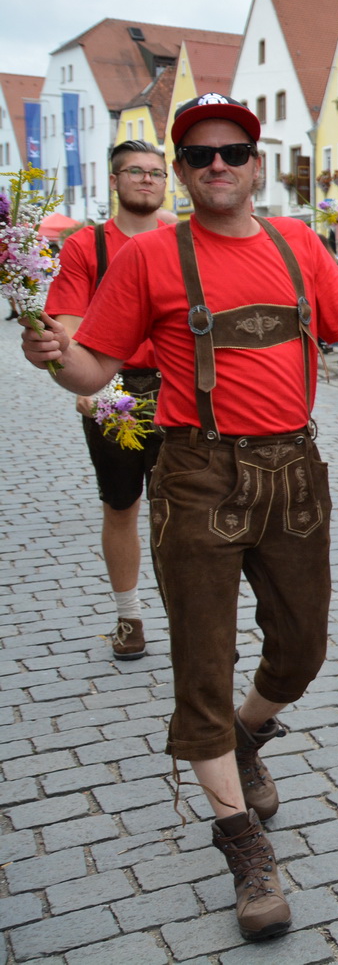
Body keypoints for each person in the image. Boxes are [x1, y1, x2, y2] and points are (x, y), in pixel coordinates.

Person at [19, 93, 338, 942]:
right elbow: (91, 373)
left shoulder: (298, 243)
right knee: (204, 658)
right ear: (182, 172)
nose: (218, 165)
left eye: (233, 150)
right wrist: (53, 353)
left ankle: (244, 733)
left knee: (302, 646)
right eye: (199, 156)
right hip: (196, 471)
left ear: (257, 162)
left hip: (294, 469)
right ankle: (243, 840)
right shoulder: (151, 257)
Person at [45, 140, 171, 660]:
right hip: (115, 388)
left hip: (178, 389)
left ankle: (192, 619)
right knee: (121, 506)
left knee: (183, 513)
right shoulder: (86, 247)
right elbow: (70, 324)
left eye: (156, 173)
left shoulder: (185, 239)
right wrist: (86, 382)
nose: (146, 180)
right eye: (135, 172)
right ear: (114, 182)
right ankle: (129, 616)